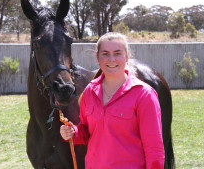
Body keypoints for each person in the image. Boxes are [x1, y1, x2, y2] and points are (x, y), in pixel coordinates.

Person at [60, 32, 165, 169]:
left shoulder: (144, 94)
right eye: (105, 54)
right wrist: (73, 132)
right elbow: (86, 131)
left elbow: (154, 148)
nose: (111, 59)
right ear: (97, 57)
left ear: (126, 56)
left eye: (117, 53)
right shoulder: (89, 92)